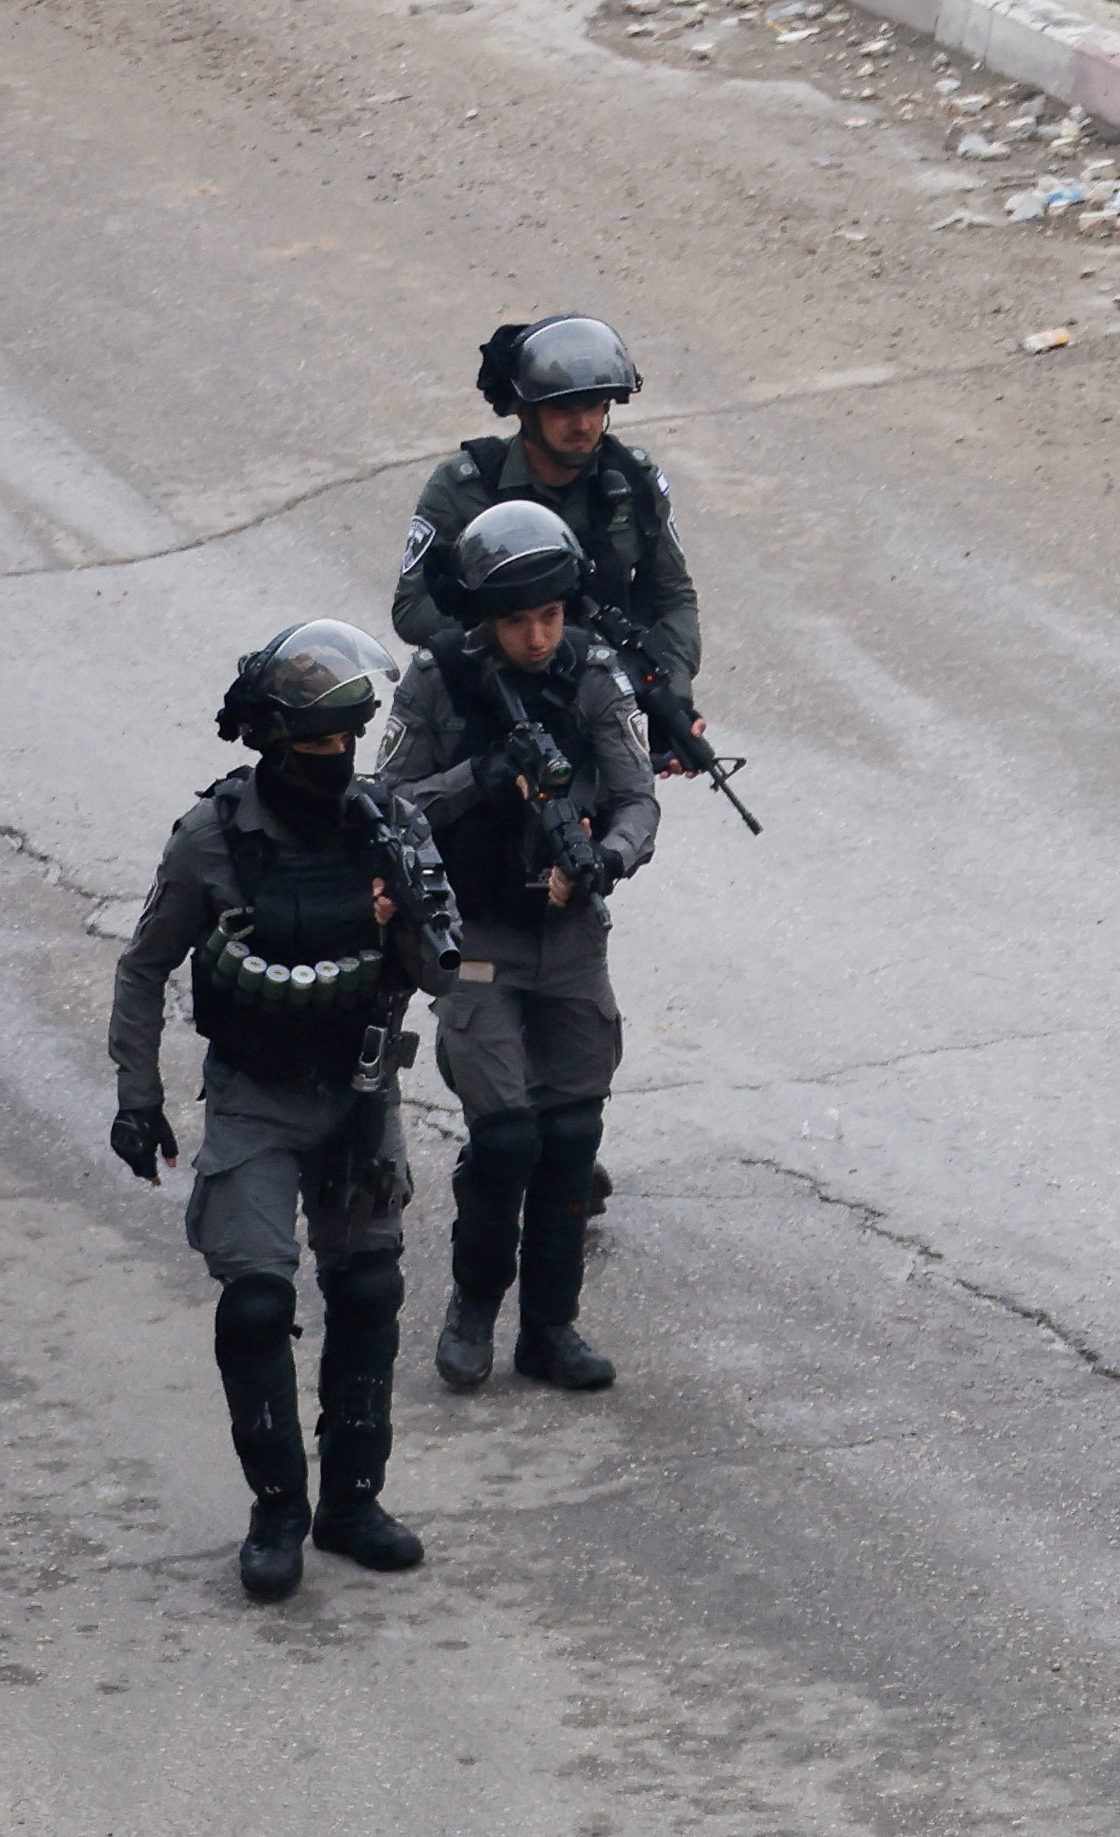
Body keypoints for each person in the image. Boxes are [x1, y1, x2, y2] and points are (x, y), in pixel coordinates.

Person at [108, 623, 463, 1602]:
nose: (337, 759)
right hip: (257, 1095)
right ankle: (277, 1510)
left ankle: (354, 1500)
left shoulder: (388, 825)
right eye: (315, 742)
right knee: (258, 1299)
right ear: (269, 741)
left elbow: (457, 971)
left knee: (368, 1290)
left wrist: (415, 920)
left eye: (349, 738)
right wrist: (138, 1095)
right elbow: (145, 968)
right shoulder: (213, 838)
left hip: (358, 1087)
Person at [377, 502, 663, 1393]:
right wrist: (481, 777)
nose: (539, 637)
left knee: (573, 1134)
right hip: (477, 936)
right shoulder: (439, 680)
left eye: (551, 616)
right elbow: (386, 805)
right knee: (505, 1137)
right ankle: (472, 1308)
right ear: (483, 619)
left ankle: (550, 1327)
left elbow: (638, 800)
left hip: (569, 937)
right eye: (517, 621)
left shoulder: (593, 675)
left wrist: (603, 862)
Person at [397, 317, 702, 713]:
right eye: (563, 409)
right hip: (493, 700)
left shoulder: (635, 481)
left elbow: (674, 597)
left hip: (604, 701)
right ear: (525, 412)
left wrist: (669, 692)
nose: (583, 424)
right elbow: (411, 611)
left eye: (593, 406)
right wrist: (508, 625)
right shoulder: (463, 488)